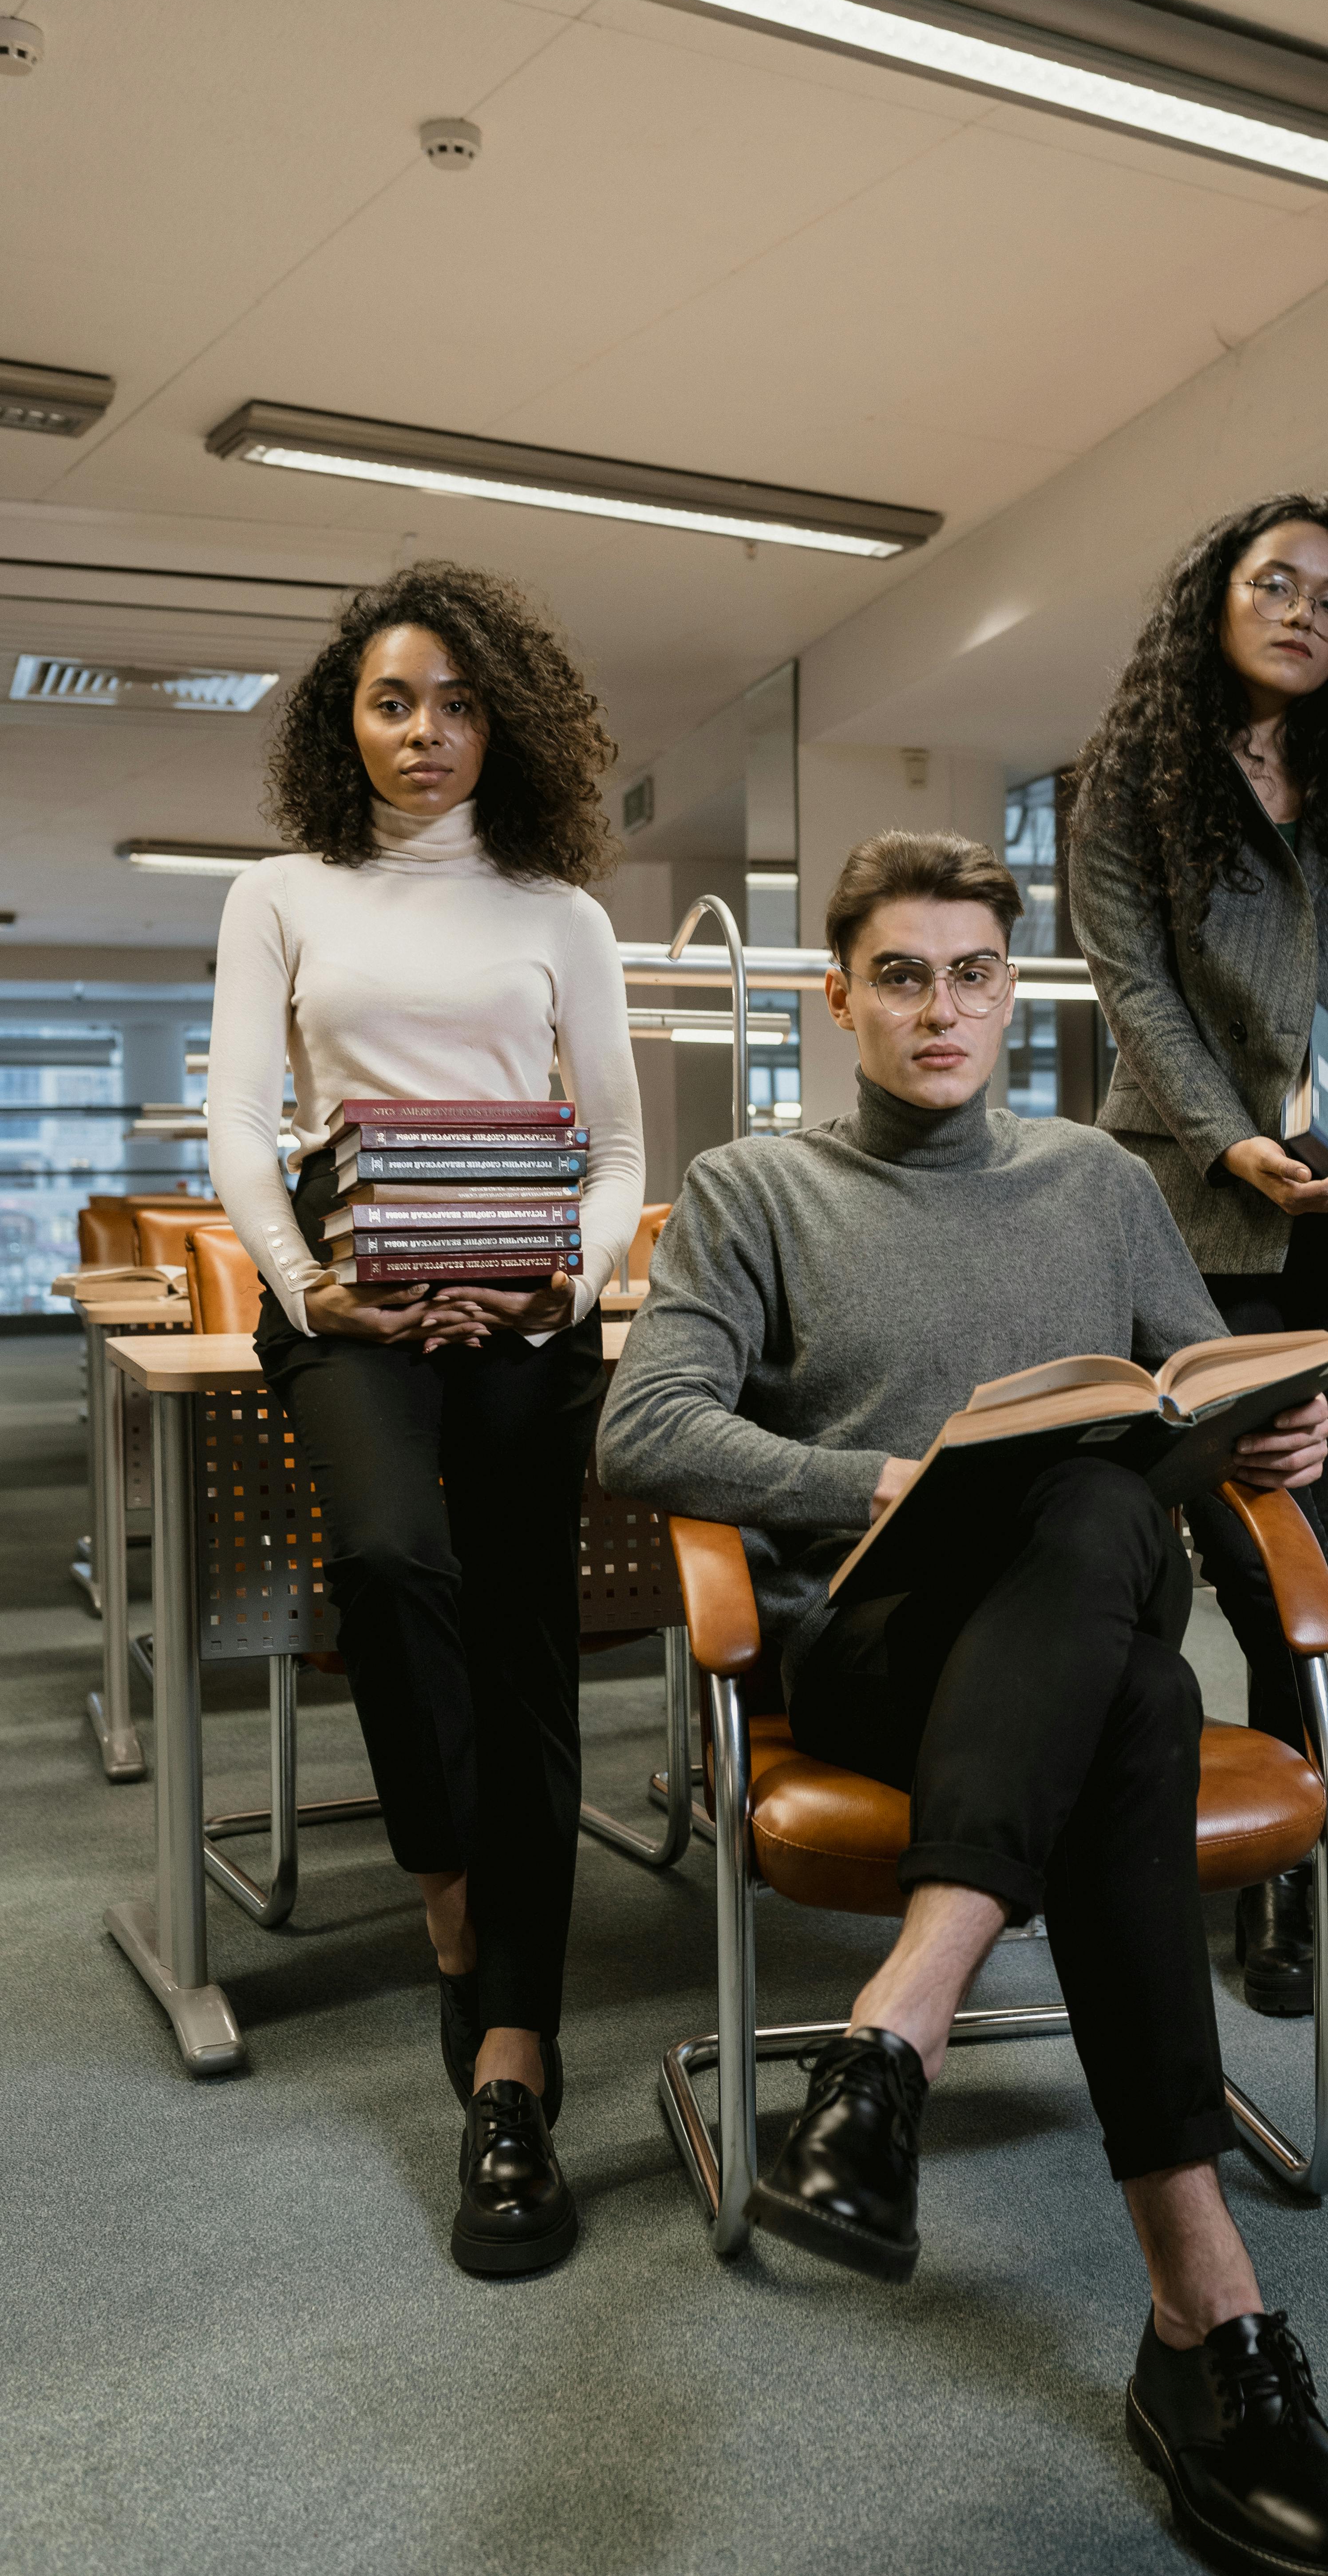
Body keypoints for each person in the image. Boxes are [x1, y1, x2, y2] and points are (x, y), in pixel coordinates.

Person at [598, 830, 1328, 2576]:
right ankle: (1207, 2356)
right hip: (875, 1654)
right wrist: (875, 1475)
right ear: (840, 1000)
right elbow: (643, 1428)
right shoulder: (753, 1188)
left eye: (972, 973)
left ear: (1008, 994)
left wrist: (1271, 1428)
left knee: (1110, 1526)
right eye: (899, 975)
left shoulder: (1098, 1187)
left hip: (1074, 1637)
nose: (938, 1007)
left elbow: (1188, 1387)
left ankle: (904, 2045)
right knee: (1125, 1657)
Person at [208, 563, 644, 2277]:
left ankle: (517, 2067)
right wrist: (304, 1282)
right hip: (353, 1303)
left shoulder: (562, 915)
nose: (427, 734)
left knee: (533, 1637)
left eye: (460, 704)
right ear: (348, 720)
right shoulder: (281, 893)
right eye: (396, 702)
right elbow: (246, 1119)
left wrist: (574, 1282)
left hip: (527, 1306)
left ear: (505, 722)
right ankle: (449, 1889)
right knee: (395, 1561)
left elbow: (613, 1153)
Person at [1068, 495, 1328, 2021]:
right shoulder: (1134, 786)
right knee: (1245, 1548)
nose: (1303, 612)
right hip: (1198, 1213)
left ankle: (1324, 1834)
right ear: (1215, 602)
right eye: (1273, 584)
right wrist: (1237, 1144)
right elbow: (1138, 996)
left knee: (1325, 1552)